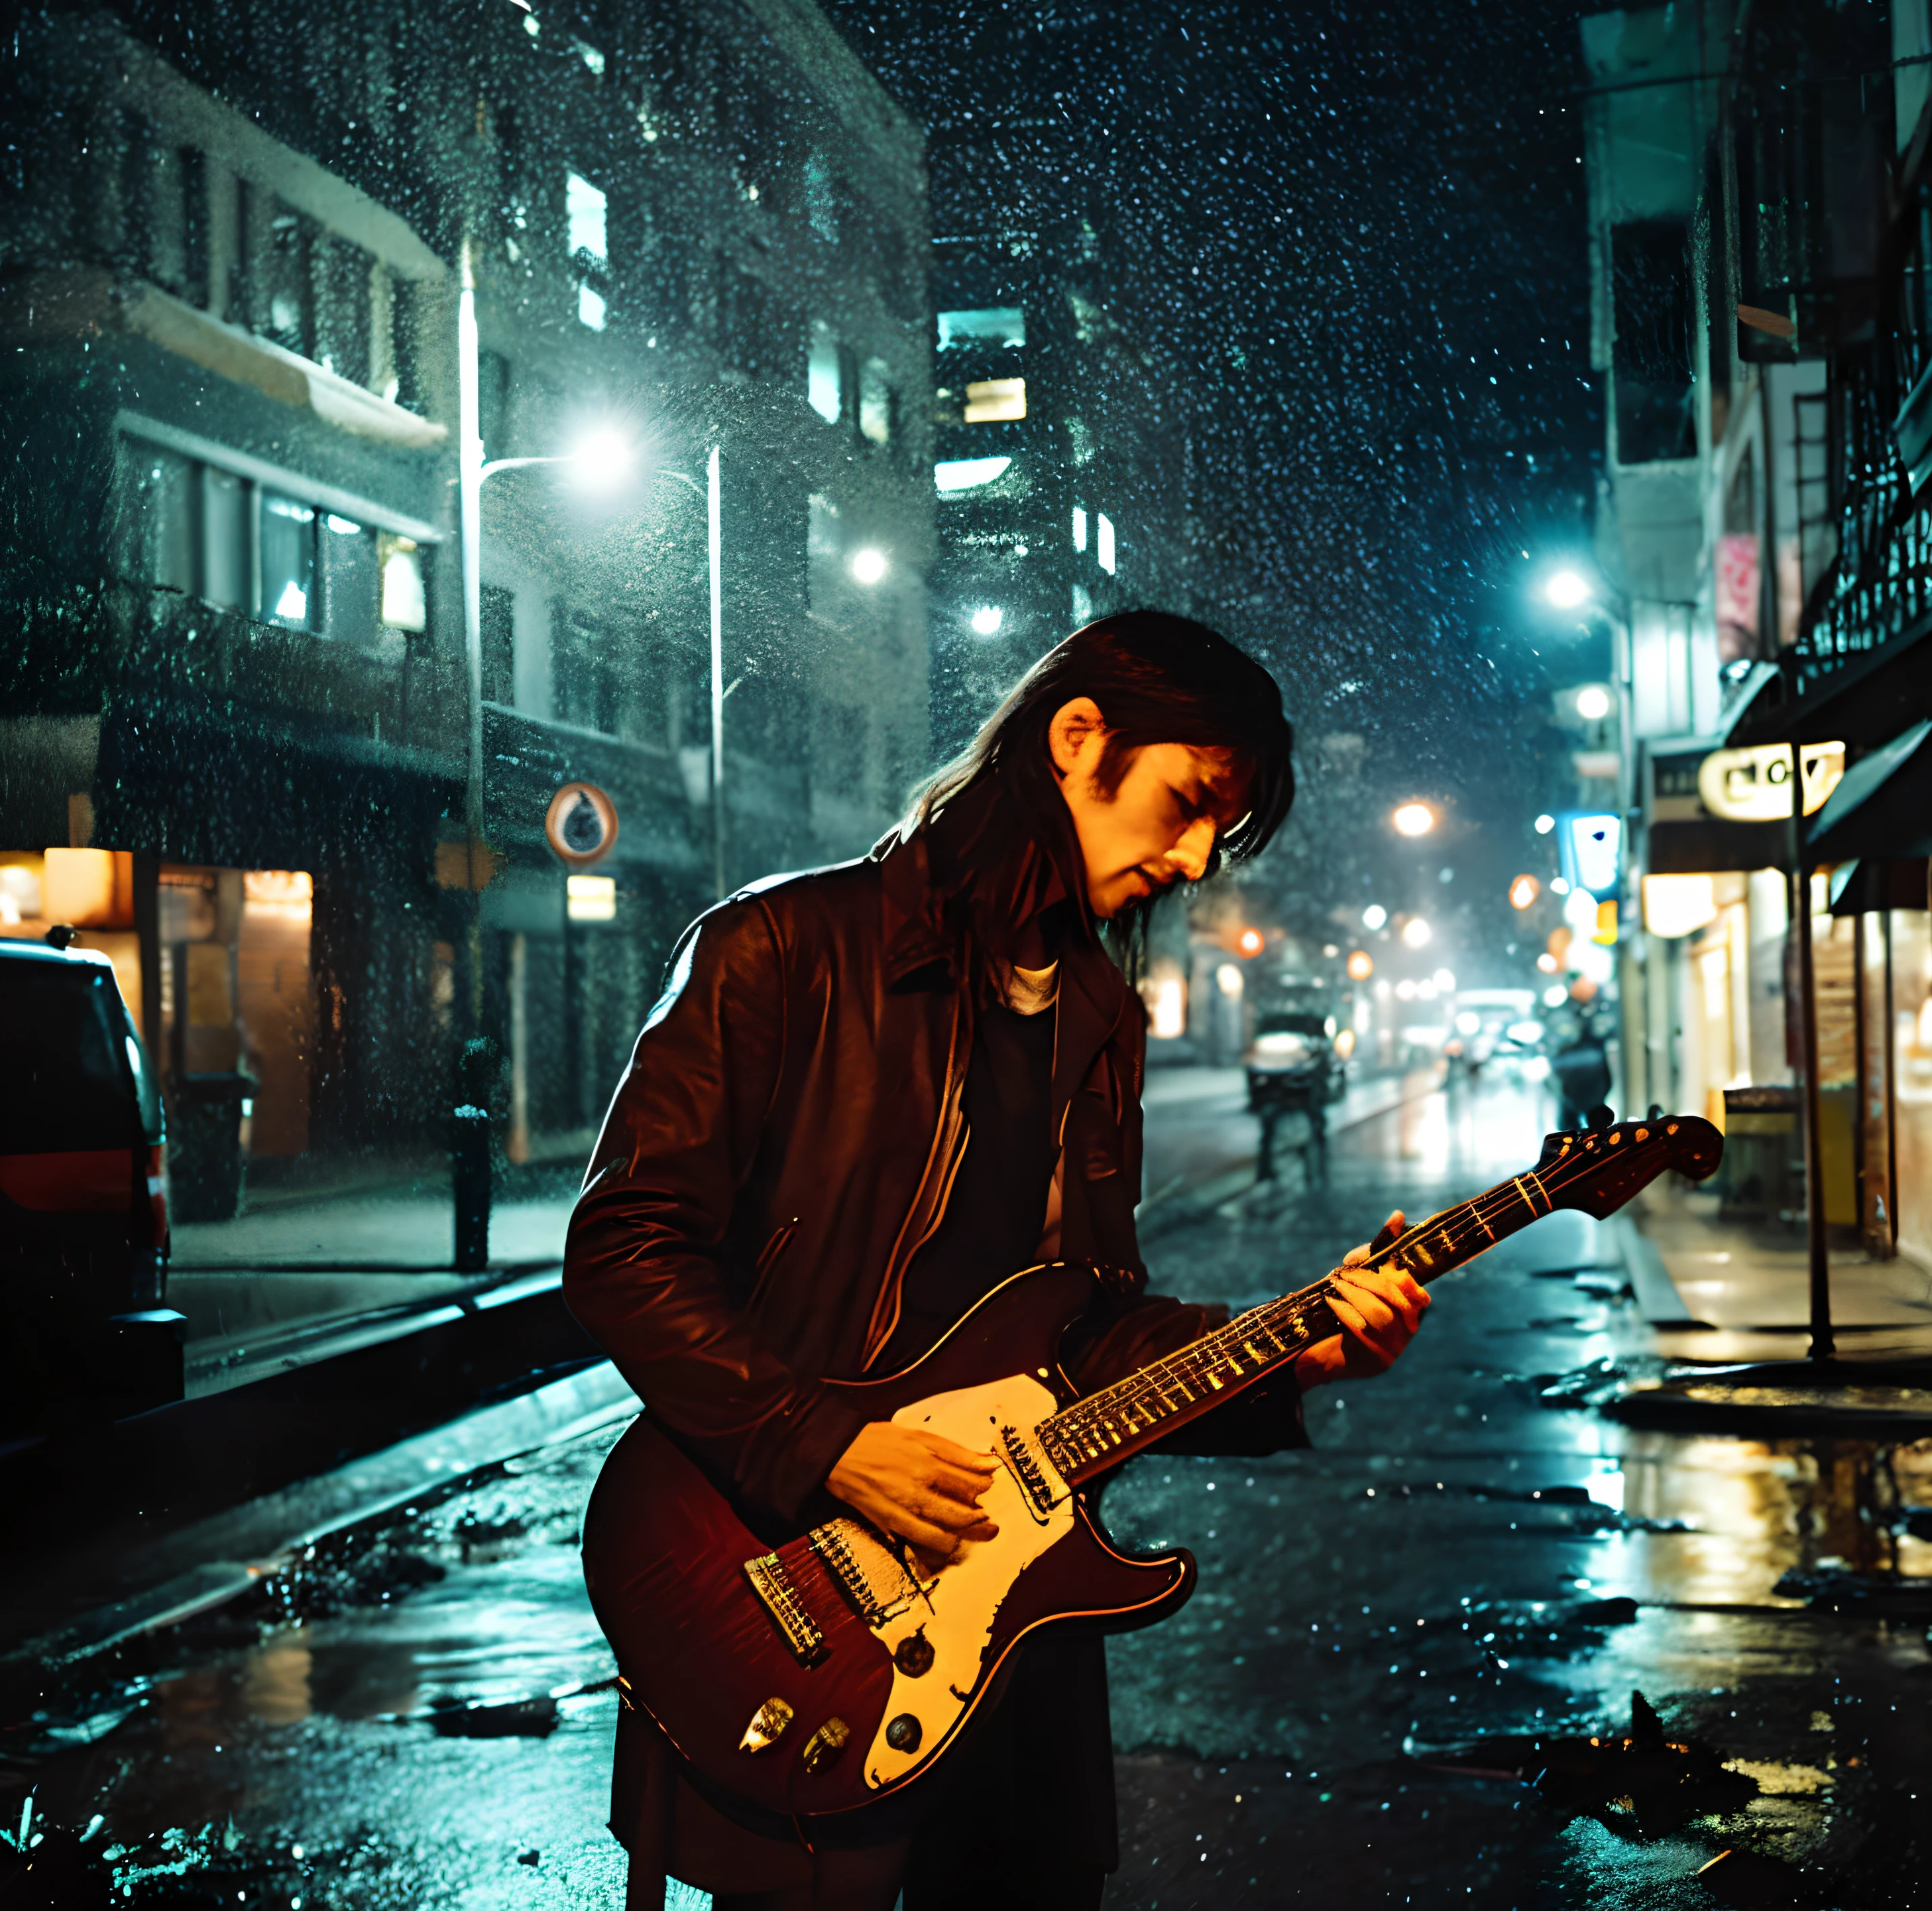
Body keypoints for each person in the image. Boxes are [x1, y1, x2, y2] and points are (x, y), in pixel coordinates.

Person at [564, 612, 1431, 1911]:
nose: (1195, 859)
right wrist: (824, 1443)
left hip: (1018, 1628)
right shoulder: (781, 952)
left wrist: (1285, 1353)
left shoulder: (1098, 1017)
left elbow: (1089, 1331)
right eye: (1188, 804)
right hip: (796, 1591)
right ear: (1078, 740)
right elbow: (624, 1247)